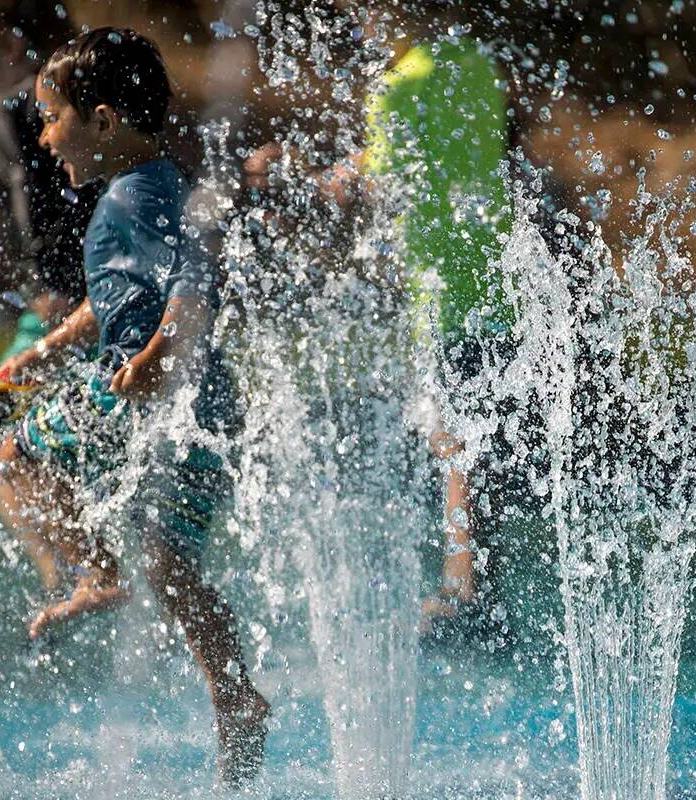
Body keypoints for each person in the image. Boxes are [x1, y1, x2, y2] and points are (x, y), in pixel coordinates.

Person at [0, 28, 268, 783]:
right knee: (173, 560)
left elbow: (190, 283)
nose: (44, 138)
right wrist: (46, 349)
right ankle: (235, 694)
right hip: (201, 402)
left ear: (105, 122)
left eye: (53, 119)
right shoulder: (144, 187)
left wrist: (149, 358)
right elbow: (115, 293)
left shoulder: (137, 193)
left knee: (10, 453)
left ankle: (95, 570)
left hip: (138, 386)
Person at [244, 3, 515, 626]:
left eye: (365, 8)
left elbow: (376, 184)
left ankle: (463, 592)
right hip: (494, 274)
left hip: (443, 288)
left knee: (451, 439)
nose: (359, 21)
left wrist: (295, 181)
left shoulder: (400, 86)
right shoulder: (471, 59)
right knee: (469, 435)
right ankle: (480, 583)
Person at [0, 0, 101, 590]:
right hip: (108, 291)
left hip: (63, 303)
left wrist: (47, 288)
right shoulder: (85, 93)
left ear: (11, 44)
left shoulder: (9, 109)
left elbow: (36, 210)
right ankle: (83, 565)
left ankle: (69, 572)